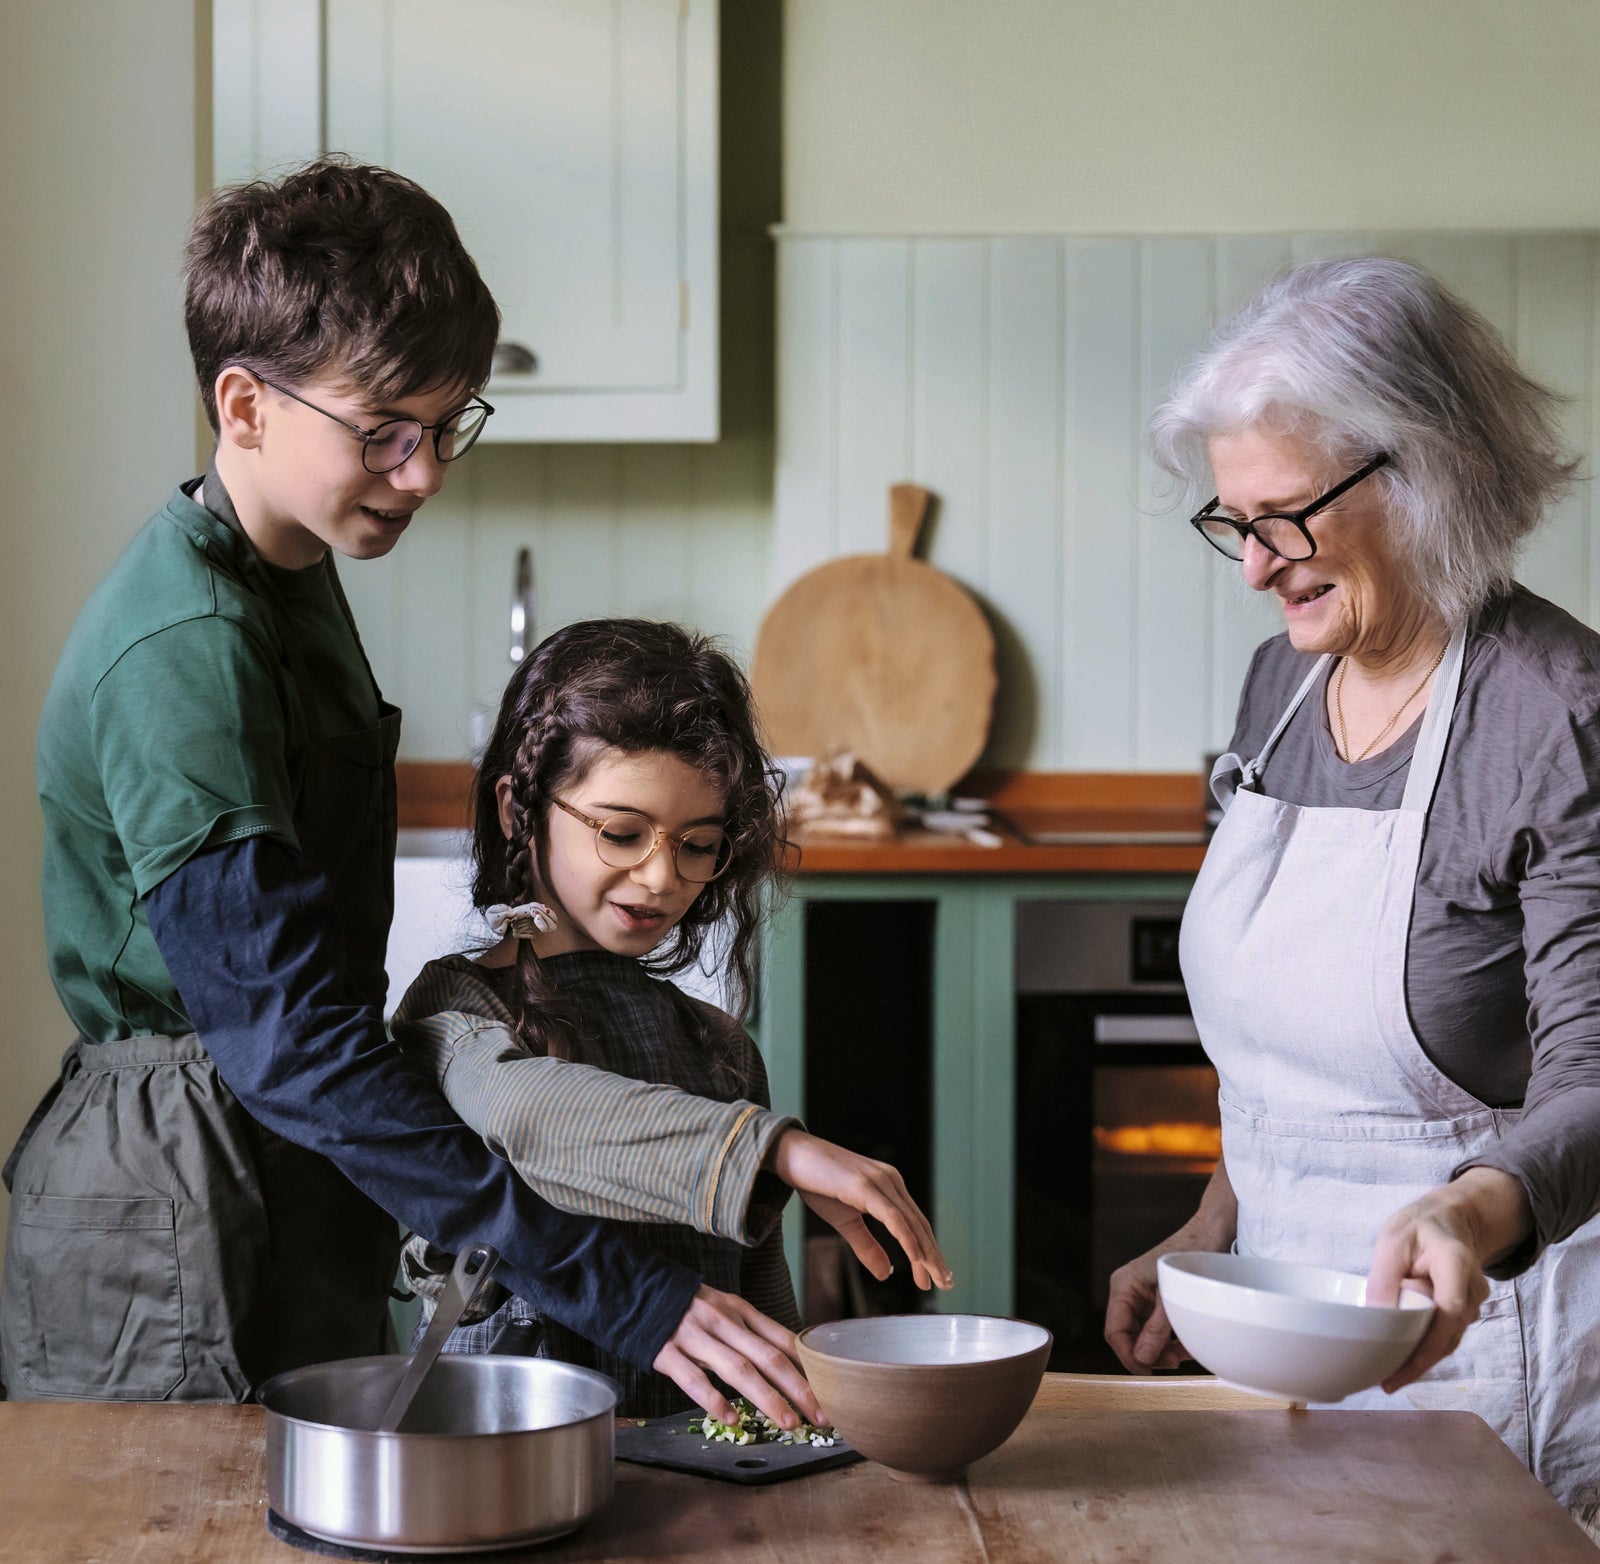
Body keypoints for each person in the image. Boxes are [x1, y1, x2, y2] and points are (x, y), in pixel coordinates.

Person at [0, 159, 946, 1427]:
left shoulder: (286, 574)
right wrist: (623, 1286)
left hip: (280, 1154)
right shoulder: (186, 645)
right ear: (244, 404)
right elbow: (287, 1041)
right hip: (179, 1183)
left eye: (449, 425)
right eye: (383, 429)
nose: (426, 470)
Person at [1104, 254, 1600, 1517]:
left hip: (1490, 1347)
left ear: (1423, 472)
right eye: (1234, 521)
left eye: (1284, 519)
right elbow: (1286, 1064)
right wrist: (1210, 1227)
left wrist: (1469, 1216)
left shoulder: (1556, 716)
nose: (1255, 568)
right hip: (1283, 1343)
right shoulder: (1279, 696)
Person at [390, 618, 947, 1415]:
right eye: (622, 833)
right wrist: (776, 1149)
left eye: (697, 844)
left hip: (694, 1471)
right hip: (504, 1461)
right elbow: (532, 1111)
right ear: (518, 810)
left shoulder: (716, 1045)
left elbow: (761, 1294)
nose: (661, 877)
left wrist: (799, 1421)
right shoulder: (453, 1010)